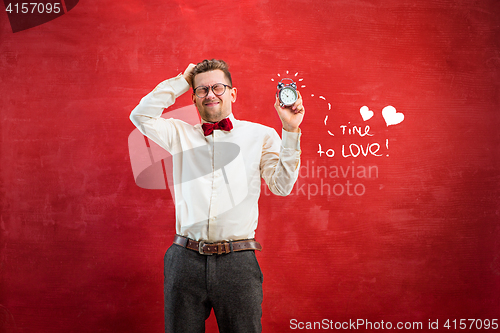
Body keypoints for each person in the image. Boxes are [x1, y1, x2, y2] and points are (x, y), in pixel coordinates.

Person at [130, 59, 305, 333]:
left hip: (238, 262)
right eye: (202, 90)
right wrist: (181, 80)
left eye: (218, 88)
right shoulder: (179, 134)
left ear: (233, 93)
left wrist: (291, 130)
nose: (210, 94)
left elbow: (282, 186)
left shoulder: (261, 135)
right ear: (194, 97)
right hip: (184, 260)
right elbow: (140, 116)